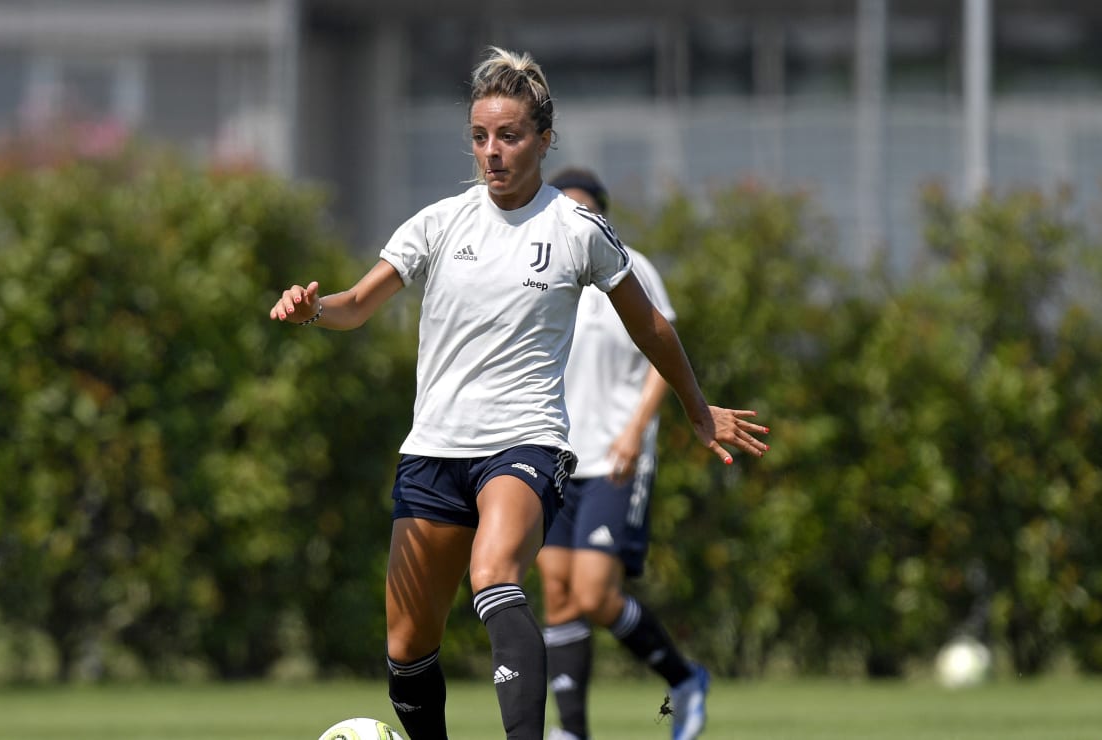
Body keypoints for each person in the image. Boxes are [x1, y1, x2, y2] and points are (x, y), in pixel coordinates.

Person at [271, 47, 768, 740]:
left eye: (509, 136)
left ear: (543, 138)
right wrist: (314, 310)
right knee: (408, 647)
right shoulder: (440, 224)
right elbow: (356, 302)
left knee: (494, 574)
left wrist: (697, 410)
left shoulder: (576, 231)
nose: (493, 151)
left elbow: (652, 327)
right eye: (480, 137)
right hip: (432, 451)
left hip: (524, 443)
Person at [536, 169, 765, 740]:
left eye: (584, 209)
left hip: (616, 458)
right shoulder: (542, 274)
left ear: (602, 216)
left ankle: (684, 679)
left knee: (594, 593)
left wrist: (635, 430)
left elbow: (662, 351)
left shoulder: (628, 266)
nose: (573, 220)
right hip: (555, 457)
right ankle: (572, 732)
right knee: (559, 595)